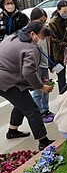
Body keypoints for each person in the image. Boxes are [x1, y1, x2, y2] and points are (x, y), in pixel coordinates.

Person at [0, 22, 54, 151]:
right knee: (32, 109)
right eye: (41, 38)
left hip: (6, 77)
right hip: (6, 81)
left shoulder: (13, 37)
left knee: (21, 102)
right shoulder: (30, 48)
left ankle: (12, 130)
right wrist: (41, 87)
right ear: (32, 34)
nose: (41, 41)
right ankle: (43, 141)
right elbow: (28, 72)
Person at [30, 7, 56, 123]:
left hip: (45, 64)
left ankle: (46, 110)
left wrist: (51, 63)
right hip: (37, 65)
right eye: (40, 21)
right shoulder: (30, 34)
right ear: (33, 20)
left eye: (44, 21)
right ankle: (40, 112)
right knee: (38, 90)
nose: (43, 24)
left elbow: (49, 48)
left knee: (47, 87)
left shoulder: (45, 31)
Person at [48, 0, 67, 93]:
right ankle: (62, 94)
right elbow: (54, 40)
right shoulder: (53, 23)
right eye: (64, 12)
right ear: (58, 10)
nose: (66, 14)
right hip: (59, 53)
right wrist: (66, 45)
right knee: (61, 76)